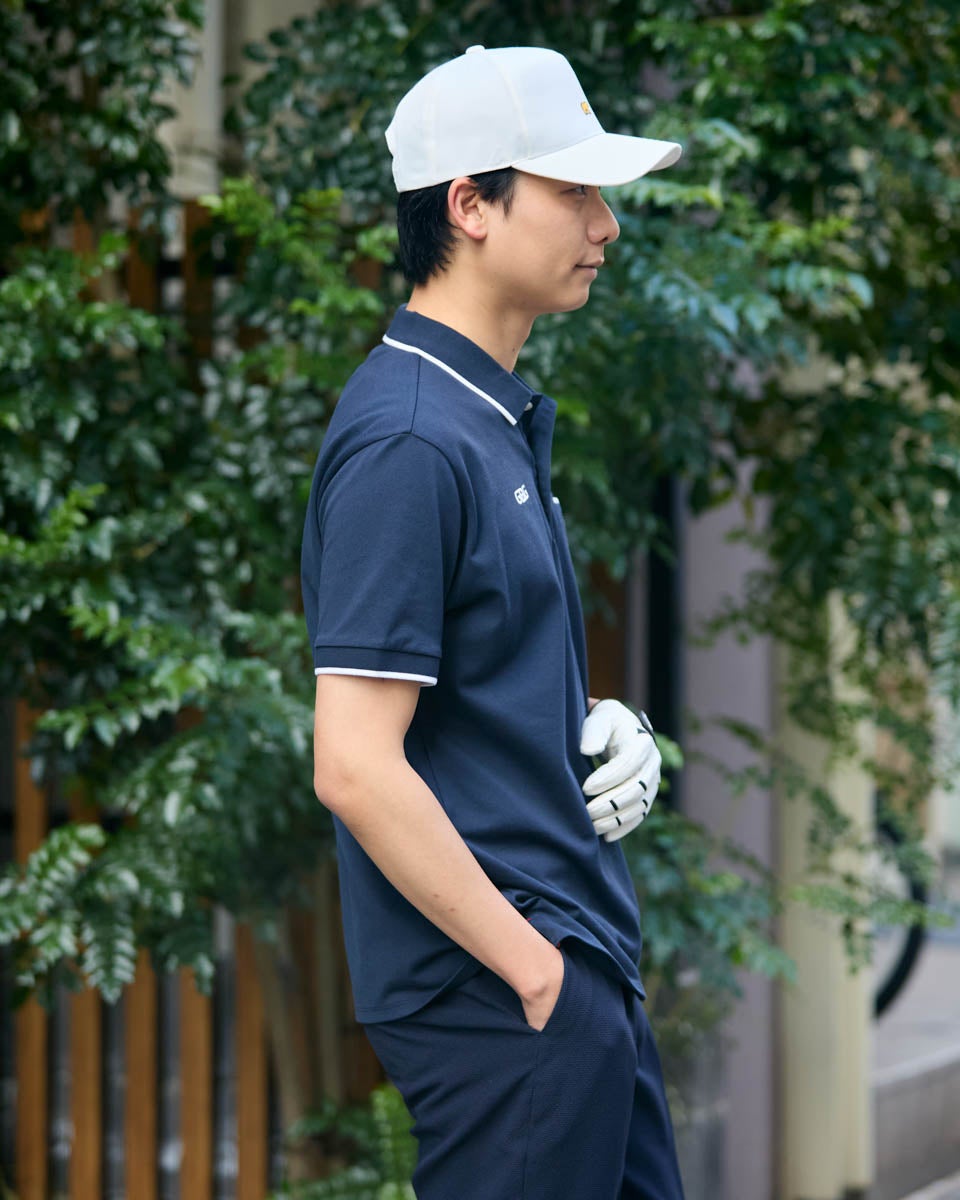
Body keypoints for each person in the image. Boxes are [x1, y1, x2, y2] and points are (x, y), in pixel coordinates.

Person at [301, 44, 685, 1200]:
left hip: (565, 981)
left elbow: (468, 692)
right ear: (469, 205)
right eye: (573, 191)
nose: (604, 225)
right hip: (505, 996)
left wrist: (588, 724)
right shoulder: (411, 438)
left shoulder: (477, 415)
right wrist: (537, 975)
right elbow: (354, 765)